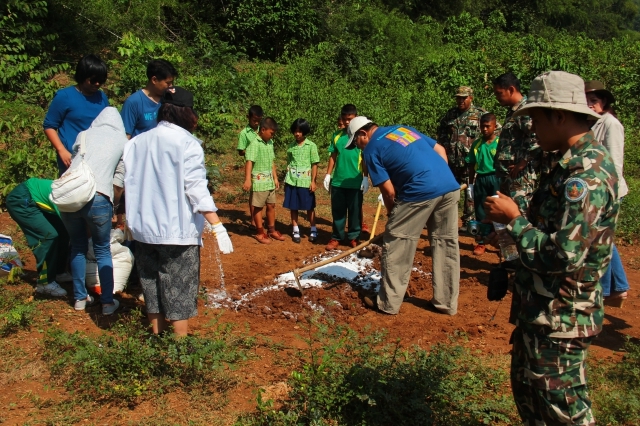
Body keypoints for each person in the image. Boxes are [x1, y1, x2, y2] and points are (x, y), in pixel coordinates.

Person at [484, 71, 619, 426]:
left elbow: (564, 254)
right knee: (533, 404)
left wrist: (515, 221)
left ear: (558, 116)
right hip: (542, 311)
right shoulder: (563, 164)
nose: (532, 129)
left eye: (536, 120)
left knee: (563, 412)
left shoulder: (585, 175)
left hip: (562, 317)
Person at [123, 87, 233, 336]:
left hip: (143, 230)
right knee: (179, 288)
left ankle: (157, 336)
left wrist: (125, 218)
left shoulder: (136, 142)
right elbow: (196, 188)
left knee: (151, 285)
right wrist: (217, 224)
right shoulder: (187, 144)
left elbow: (127, 182)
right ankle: (179, 346)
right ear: (185, 113)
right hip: (176, 233)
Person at [347, 117, 461, 315]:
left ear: (363, 134)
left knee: (397, 241)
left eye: (356, 143)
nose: (358, 147)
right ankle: (446, 303)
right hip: (449, 186)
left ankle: (388, 303)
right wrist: (438, 180)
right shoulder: (402, 129)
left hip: (419, 190)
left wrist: (393, 216)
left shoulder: (371, 150)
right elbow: (441, 150)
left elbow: (389, 192)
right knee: (446, 243)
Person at [60, 107, 125, 315]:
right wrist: (114, 207)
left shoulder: (83, 135)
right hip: (99, 196)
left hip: (70, 196)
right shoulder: (123, 141)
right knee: (102, 249)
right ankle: (107, 303)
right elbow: (118, 183)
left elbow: (75, 161)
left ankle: (80, 299)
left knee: (77, 247)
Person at [585, 80, 630, 307]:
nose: (590, 105)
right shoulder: (592, 122)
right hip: (596, 188)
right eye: (587, 101)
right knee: (601, 236)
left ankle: (609, 288)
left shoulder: (611, 124)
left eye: (594, 101)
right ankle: (618, 287)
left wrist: (607, 193)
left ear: (604, 102)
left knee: (600, 237)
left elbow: (615, 162)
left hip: (607, 189)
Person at [44, 54, 110, 175]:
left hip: (97, 158)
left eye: (101, 81)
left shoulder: (101, 97)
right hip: (71, 159)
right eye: (93, 80)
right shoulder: (65, 96)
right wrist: (61, 150)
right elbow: (49, 126)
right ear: (82, 76)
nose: (97, 84)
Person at [5, 178, 69, 297]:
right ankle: (44, 283)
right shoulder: (65, 200)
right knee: (48, 236)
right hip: (21, 199)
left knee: (63, 233)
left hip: (36, 196)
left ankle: (58, 272)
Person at [492, 73, 540, 215]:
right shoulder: (513, 111)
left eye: (499, 93)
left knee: (519, 214)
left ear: (511, 90)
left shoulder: (524, 111)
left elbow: (537, 138)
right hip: (509, 176)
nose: (497, 97)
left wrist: (523, 162)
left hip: (520, 178)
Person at [324, 104, 369, 250]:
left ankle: (354, 237)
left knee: (355, 211)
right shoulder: (337, 136)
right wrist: (328, 174)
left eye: (350, 119)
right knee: (338, 211)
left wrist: (365, 177)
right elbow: (333, 156)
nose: (347, 122)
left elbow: (365, 158)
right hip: (338, 181)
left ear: (356, 117)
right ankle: (336, 237)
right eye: (345, 119)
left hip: (355, 181)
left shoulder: (362, 136)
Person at [242, 117, 285, 244]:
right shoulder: (254, 144)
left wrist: (275, 178)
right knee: (258, 207)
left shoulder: (270, 143)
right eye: (271, 133)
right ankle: (260, 232)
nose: (272, 136)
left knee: (271, 205)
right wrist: (248, 180)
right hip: (259, 182)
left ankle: (271, 230)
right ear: (263, 130)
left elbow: (272, 161)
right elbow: (249, 162)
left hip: (269, 181)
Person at [465, 113, 500, 256]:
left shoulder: (500, 143)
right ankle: (481, 242)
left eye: (487, 126)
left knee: (498, 210)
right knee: (480, 210)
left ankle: (502, 242)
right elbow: (471, 165)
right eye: (482, 126)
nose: (484, 129)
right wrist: (470, 185)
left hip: (496, 178)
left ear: (494, 126)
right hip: (481, 179)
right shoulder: (477, 144)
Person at [120, 59, 177, 139]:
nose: (171, 86)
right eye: (168, 83)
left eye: (172, 82)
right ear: (154, 80)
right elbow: (125, 137)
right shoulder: (133, 102)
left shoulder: (169, 99)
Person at [284, 118, 320, 243]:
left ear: (305, 132)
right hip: (292, 181)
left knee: (309, 206)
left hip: (305, 182)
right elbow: (289, 163)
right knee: (293, 206)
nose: (297, 134)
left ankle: (313, 229)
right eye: (295, 131)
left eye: (300, 131)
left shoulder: (311, 146)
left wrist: (313, 181)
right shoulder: (291, 147)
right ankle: (295, 229)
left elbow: (314, 164)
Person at [237, 105, 264, 228]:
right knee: (254, 194)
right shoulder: (244, 133)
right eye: (254, 120)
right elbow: (240, 151)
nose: (256, 123)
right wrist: (251, 150)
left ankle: (258, 218)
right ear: (248, 117)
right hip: (252, 167)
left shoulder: (262, 130)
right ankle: (253, 220)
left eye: (259, 120)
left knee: (261, 193)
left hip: (263, 165)